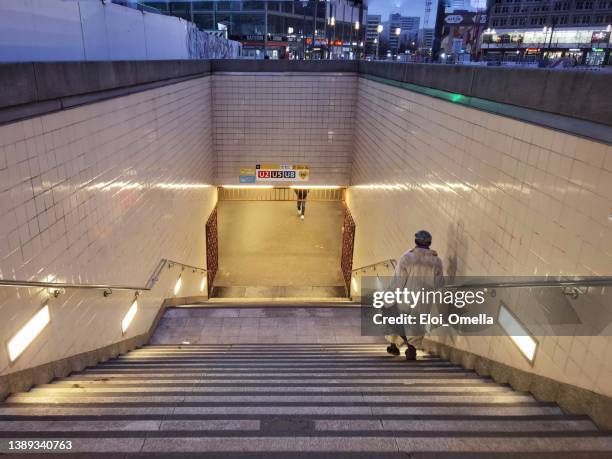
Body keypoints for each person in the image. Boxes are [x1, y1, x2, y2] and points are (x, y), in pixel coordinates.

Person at [385, 230, 443, 361]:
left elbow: (398, 279)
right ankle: (411, 349)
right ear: (429, 243)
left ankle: (395, 345)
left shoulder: (407, 257)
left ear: (416, 241)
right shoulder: (437, 261)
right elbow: (439, 284)